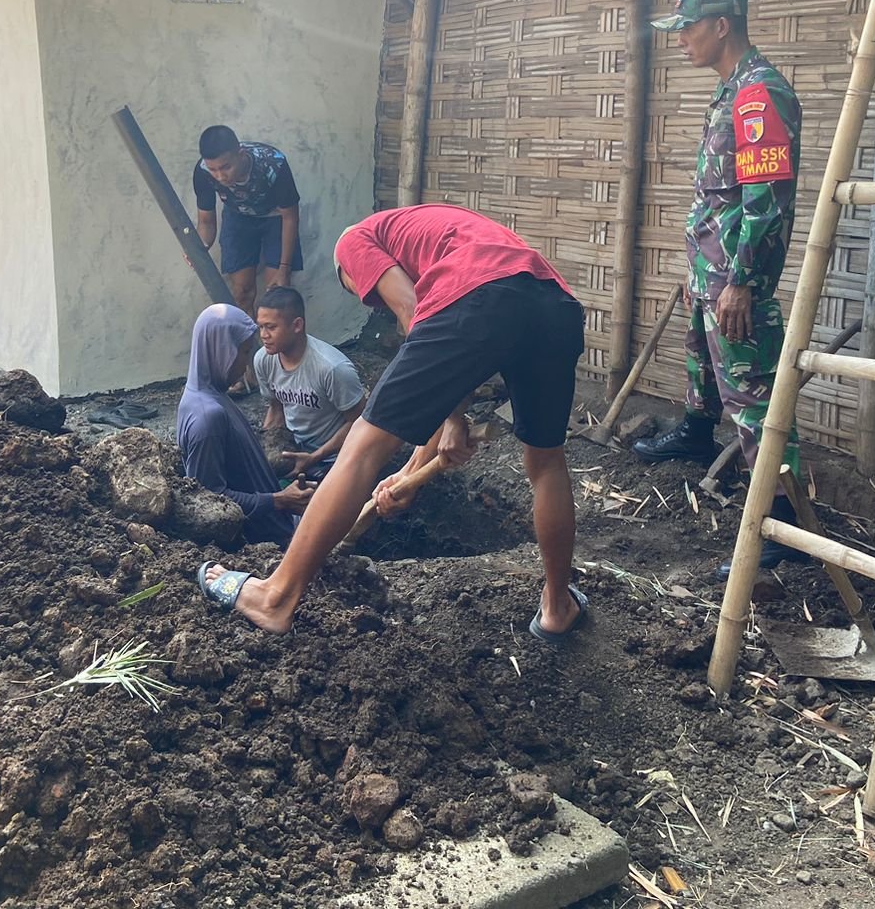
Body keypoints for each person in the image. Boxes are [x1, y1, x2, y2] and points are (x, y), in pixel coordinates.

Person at [197, 205, 588, 641]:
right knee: (547, 462)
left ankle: (275, 596)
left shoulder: (353, 243)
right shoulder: (443, 230)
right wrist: (409, 469)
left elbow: (414, 309)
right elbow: (465, 349)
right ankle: (557, 606)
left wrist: (454, 417)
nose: (369, 298)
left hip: (481, 296)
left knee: (363, 443)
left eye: (361, 292)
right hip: (555, 306)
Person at [631, 0, 805, 569]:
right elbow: (721, 198)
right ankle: (694, 434)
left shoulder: (758, 96)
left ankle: (785, 523)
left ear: (722, 25)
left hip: (736, 282)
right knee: (704, 370)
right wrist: (701, 270)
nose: (680, 40)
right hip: (711, 273)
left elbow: (766, 201)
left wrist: (742, 283)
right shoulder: (731, 90)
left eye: (688, 28)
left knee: (754, 400)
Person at [178, 303, 315, 547]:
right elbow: (210, 503)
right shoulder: (207, 417)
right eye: (242, 353)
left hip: (276, 525)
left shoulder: (210, 394)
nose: (245, 365)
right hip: (264, 546)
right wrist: (279, 500)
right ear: (220, 351)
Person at [192, 125, 302, 391]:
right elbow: (206, 221)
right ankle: (246, 369)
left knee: (277, 295)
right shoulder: (203, 172)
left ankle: (280, 373)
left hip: (276, 219)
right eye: (214, 169)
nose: (220, 175)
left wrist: (284, 268)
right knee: (242, 294)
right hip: (238, 219)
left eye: (225, 167)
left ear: (241, 154)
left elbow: (290, 216)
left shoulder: (273, 164)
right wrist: (199, 246)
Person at [252, 286, 366, 482]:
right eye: (260, 327)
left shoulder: (332, 368)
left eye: (271, 327)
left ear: (297, 325)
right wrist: (265, 450)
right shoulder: (263, 359)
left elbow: (359, 422)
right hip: (295, 450)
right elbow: (276, 407)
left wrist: (314, 458)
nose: (263, 335)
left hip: (334, 457)